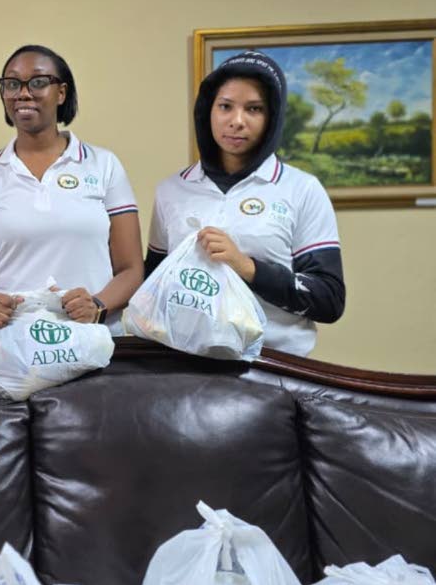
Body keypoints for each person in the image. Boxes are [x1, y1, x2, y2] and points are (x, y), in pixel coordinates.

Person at [145, 49, 345, 356]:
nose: (237, 121)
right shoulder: (172, 190)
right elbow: (153, 289)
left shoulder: (302, 189)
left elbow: (329, 299)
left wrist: (247, 267)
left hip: (275, 367)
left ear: (272, 118)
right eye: (225, 106)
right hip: (183, 368)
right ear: (207, 111)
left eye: (254, 109)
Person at [0, 44, 143, 330]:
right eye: (12, 84)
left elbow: (131, 269)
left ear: (62, 93)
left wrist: (98, 305)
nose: (23, 92)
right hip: (13, 347)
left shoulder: (103, 165)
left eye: (39, 82)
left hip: (94, 343)